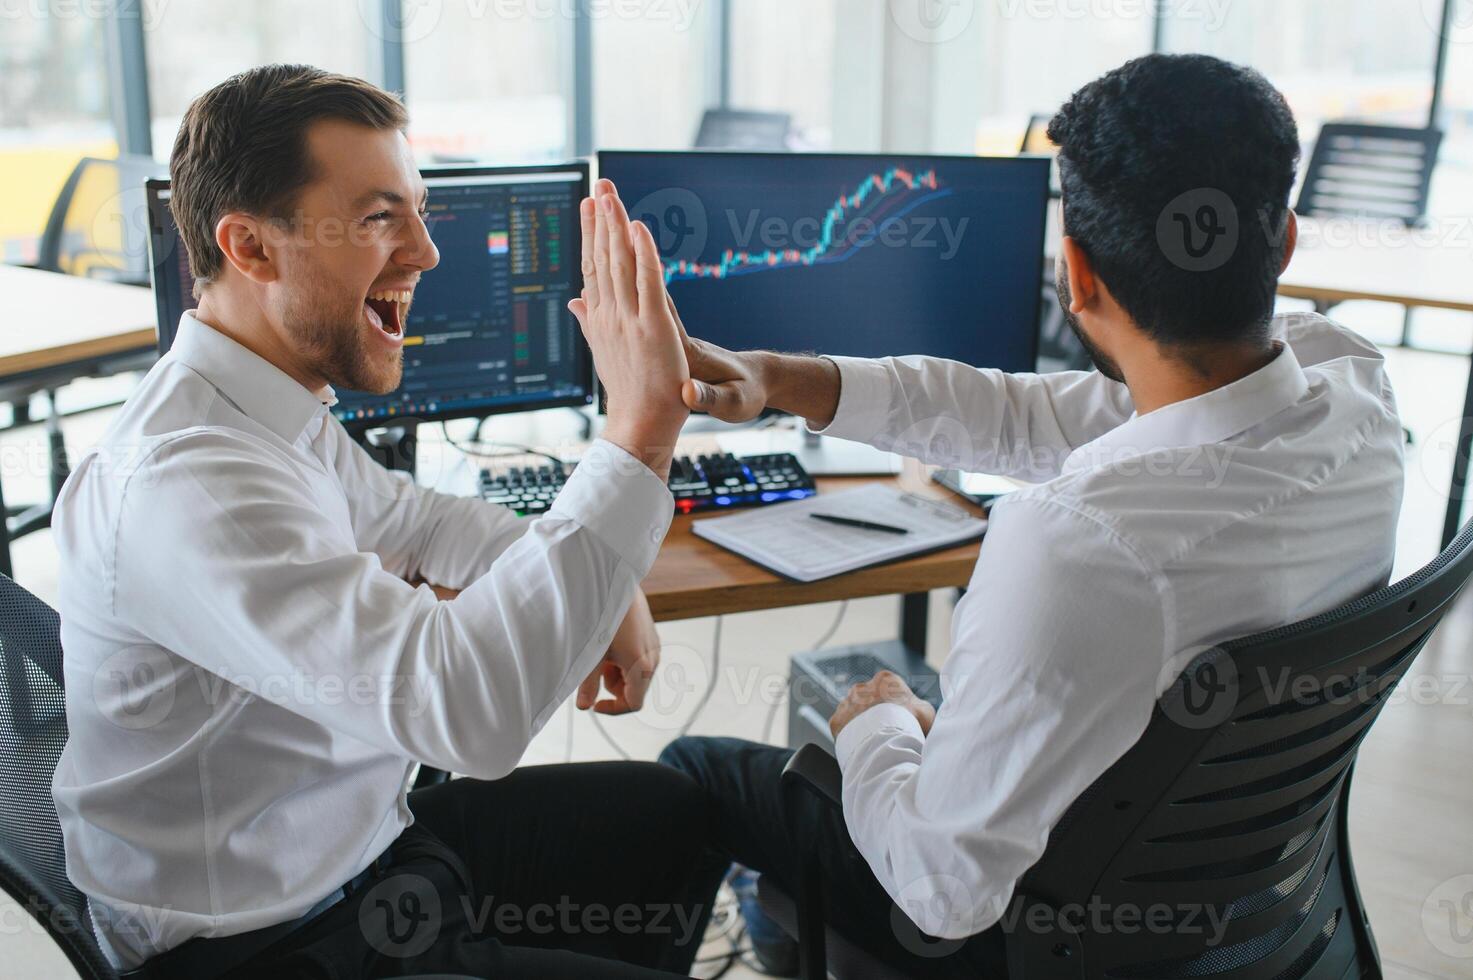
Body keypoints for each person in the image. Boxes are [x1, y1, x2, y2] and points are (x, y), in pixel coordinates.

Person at [660, 53, 1406, 977]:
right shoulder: (1353, 387)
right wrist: (781, 379)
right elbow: (1028, 414)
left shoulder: (1078, 547)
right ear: (1283, 242)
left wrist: (880, 724)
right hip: (1234, 910)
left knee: (699, 764)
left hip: (1025, 938)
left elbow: (939, 890)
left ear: (1078, 275)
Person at [52, 64, 714, 978]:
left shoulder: (262, 401)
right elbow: (466, 714)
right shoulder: (190, 482)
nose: (425, 253)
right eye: (376, 219)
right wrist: (637, 437)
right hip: (271, 945)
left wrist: (613, 593)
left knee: (671, 815)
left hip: (364, 860)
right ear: (250, 248)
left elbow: (424, 523)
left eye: (418, 212)